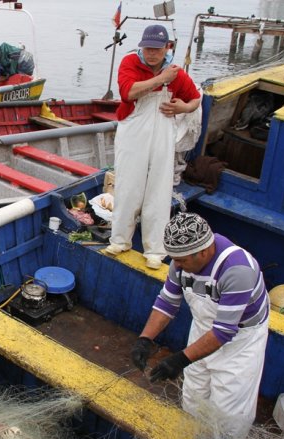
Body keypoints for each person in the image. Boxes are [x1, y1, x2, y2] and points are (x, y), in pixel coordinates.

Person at [130, 212, 270, 439]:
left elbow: (223, 332)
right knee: (194, 394)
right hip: (204, 328)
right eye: (175, 260)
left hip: (239, 342)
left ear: (203, 251)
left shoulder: (237, 270)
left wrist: (180, 360)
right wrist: (144, 339)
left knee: (228, 412)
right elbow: (167, 302)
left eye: (182, 260)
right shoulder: (181, 262)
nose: (177, 266)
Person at [104, 25, 201, 270]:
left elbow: (195, 98)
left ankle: (155, 251)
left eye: (157, 49)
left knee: (159, 188)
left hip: (162, 133)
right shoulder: (130, 63)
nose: (152, 53)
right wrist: (161, 79)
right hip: (133, 131)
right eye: (147, 48)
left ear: (167, 48)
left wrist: (184, 108)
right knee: (128, 184)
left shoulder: (177, 74)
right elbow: (128, 92)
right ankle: (119, 240)